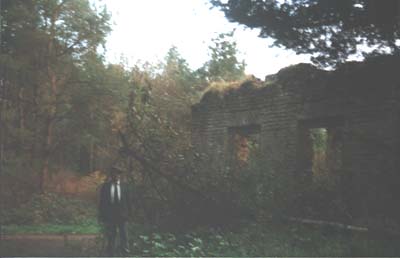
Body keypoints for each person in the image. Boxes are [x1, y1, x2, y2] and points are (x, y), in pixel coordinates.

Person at [98, 166, 132, 256]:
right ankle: (111, 254)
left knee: (124, 236)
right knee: (111, 236)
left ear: (120, 175)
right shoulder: (105, 186)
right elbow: (102, 202)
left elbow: (129, 201)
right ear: (111, 175)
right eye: (113, 173)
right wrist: (101, 216)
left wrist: (129, 214)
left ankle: (125, 254)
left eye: (117, 173)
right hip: (110, 216)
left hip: (123, 216)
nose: (115, 175)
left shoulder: (125, 186)